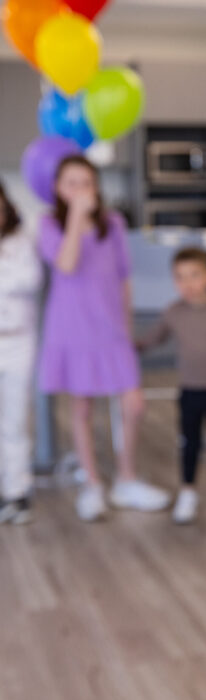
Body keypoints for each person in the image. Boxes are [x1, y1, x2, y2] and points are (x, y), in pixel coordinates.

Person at [38, 155, 170, 522]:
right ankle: (92, 484)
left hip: (111, 329)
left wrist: (126, 329)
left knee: (134, 405)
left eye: (87, 182)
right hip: (72, 328)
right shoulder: (49, 224)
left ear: (97, 186)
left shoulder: (113, 223)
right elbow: (65, 264)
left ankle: (126, 479)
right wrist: (77, 215)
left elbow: (124, 278)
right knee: (82, 409)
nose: (80, 189)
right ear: (57, 188)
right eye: (72, 183)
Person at [137, 247, 206, 524]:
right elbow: (154, 338)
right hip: (190, 393)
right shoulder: (173, 312)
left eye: (194, 275)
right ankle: (188, 491)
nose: (187, 283)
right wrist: (132, 347)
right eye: (179, 277)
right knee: (190, 444)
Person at [0, 183, 42, 524]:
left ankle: (17, 490)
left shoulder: (22, 241)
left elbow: (30, 281)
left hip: (17, 342)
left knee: (14, 419)